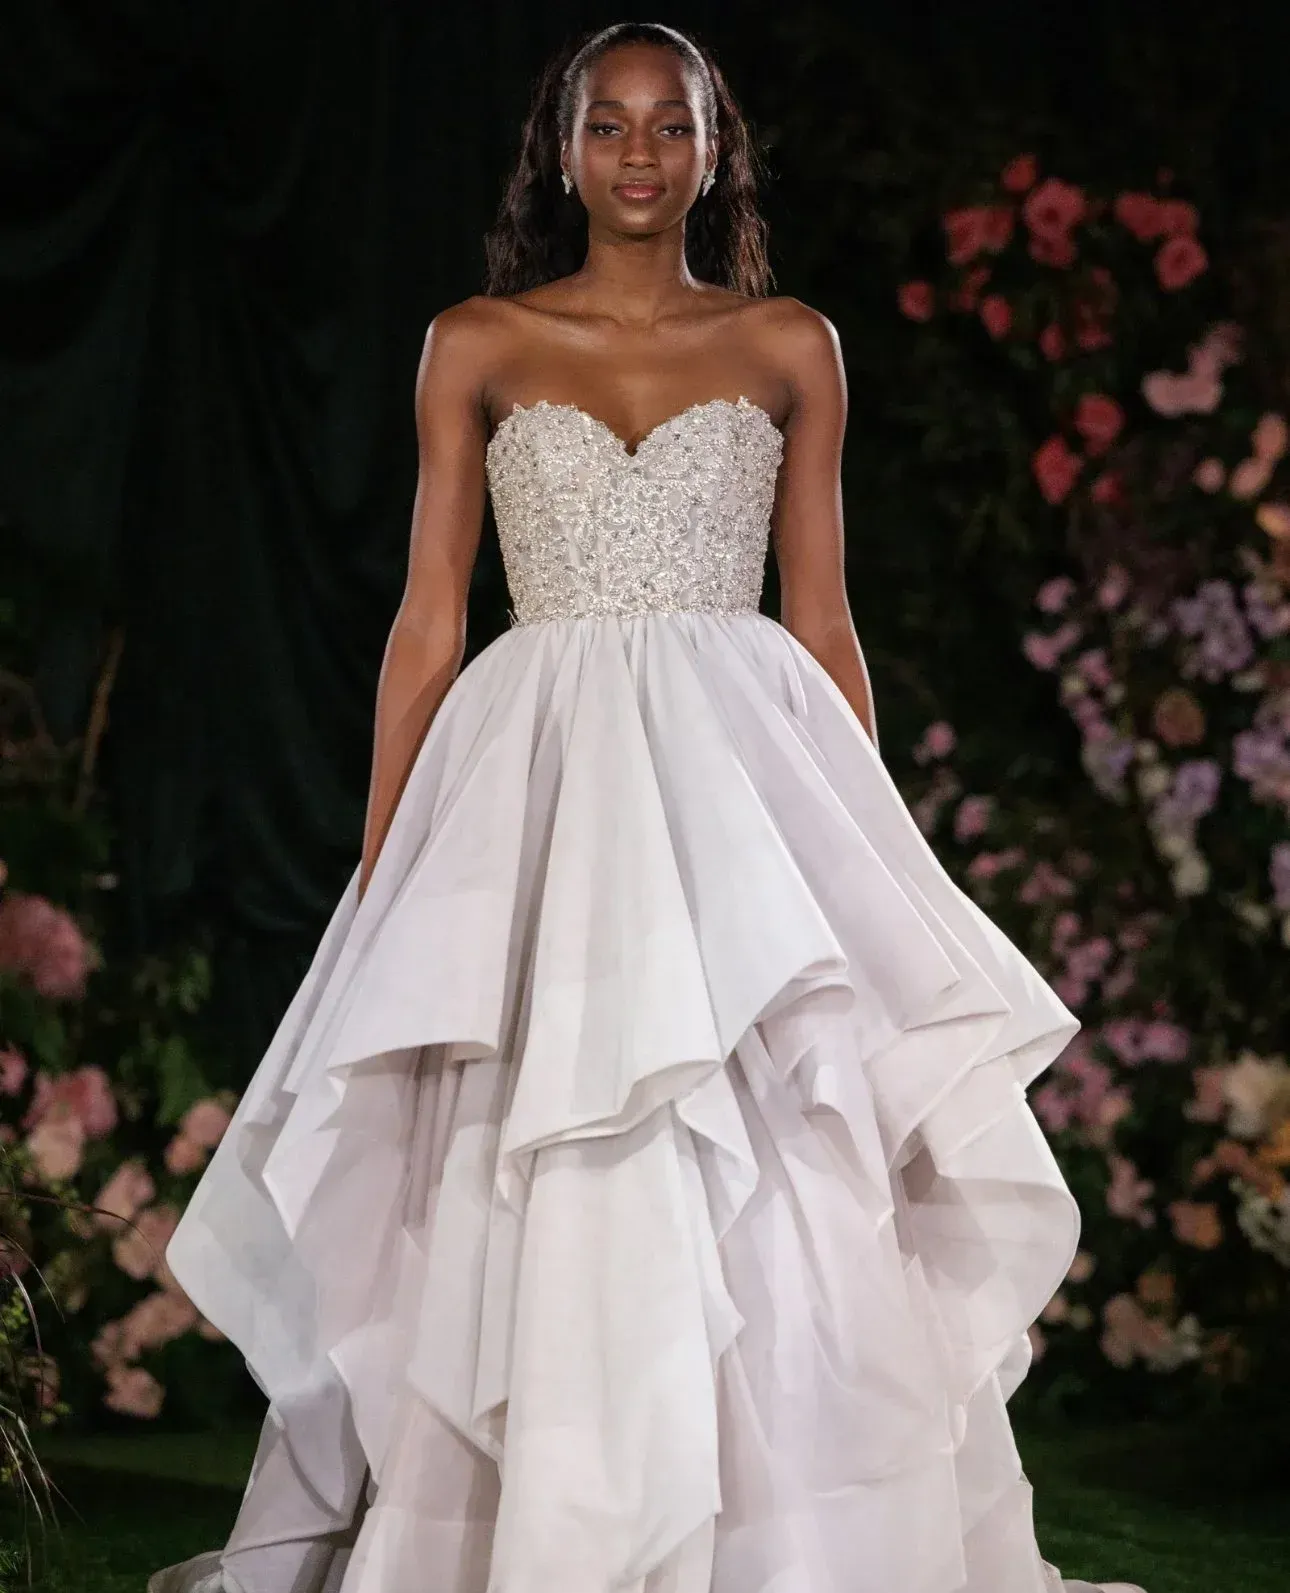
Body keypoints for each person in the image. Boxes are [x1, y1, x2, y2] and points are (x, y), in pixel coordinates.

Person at [148, 21, 1148, 1593]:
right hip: (532, 775)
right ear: (561, 151)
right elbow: (430, 609)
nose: (634, 152)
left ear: (708, 150)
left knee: (767, 1131)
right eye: (604, 124)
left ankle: (774, 1535)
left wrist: (866, 851)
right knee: (536, 1121)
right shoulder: (474, 340)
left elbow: (820, 616)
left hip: (734, 778)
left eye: (664, 125)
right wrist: (382, 847)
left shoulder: (787, 344)